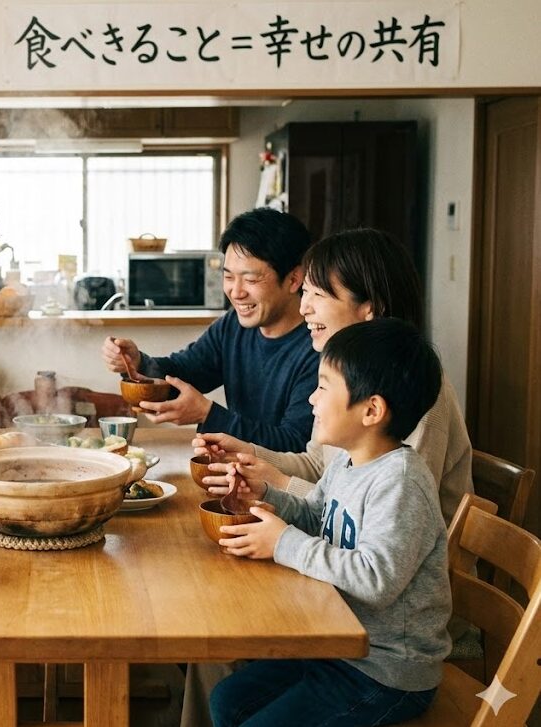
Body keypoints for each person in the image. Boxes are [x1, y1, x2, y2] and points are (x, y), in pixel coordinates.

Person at [208, 318, 450, 726]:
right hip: (337, 647)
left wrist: (283, 543)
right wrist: (264, 496)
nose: (312, 400)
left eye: (323, 387)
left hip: (385, 672)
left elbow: (376, 580)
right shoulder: (348, 460)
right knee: (228, 699)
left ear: (371, 410)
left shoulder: (401, 482)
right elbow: (316, 515)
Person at [195, 229, 473, 525]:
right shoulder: (341, 372)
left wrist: (280, 483)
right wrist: (247, 453)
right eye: (305, 292)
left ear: (370, 308)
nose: (304, 308)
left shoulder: (413, 389)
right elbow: (317, 464)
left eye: (319, 294)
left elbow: (390, 517)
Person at [101, 208, 317, 452]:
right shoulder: (232, 326)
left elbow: (297, 446)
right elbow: (184, 372)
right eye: (228, 277)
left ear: (293, 279)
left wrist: (208, 414)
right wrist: (138, 363)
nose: (236, 292)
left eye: (251, 279)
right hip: (234, 472)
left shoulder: (318, 347)